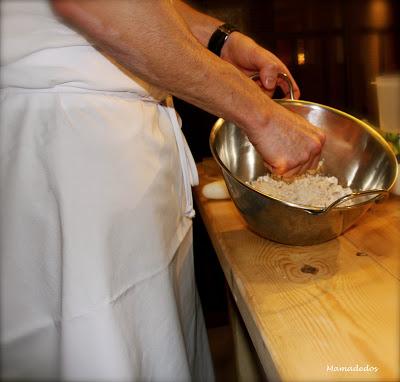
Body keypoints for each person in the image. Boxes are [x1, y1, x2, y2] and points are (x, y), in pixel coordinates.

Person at [0, 1, 325, 381]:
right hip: (74, 154)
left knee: (158, 348)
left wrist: (221, 39)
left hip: (121, 147)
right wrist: (263, 116)